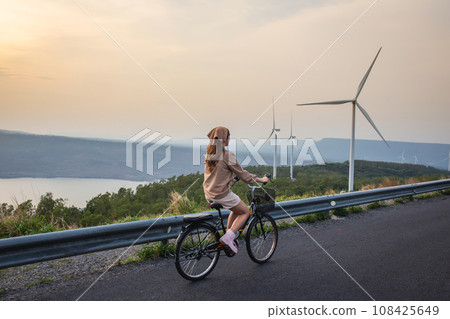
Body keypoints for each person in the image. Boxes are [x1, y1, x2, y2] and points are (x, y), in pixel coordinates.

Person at [202, 126, 269, 254]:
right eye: (228, 137)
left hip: (209, 193)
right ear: (224, 139)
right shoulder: (227, 155)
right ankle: (228, 237)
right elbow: (244, 175)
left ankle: (229, 235)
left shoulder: (209, 155)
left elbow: (217, 174)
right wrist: (261, 179)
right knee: (245, 212)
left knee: (235, 207)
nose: (229, 139)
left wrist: (230, 179)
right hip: (221, 194)